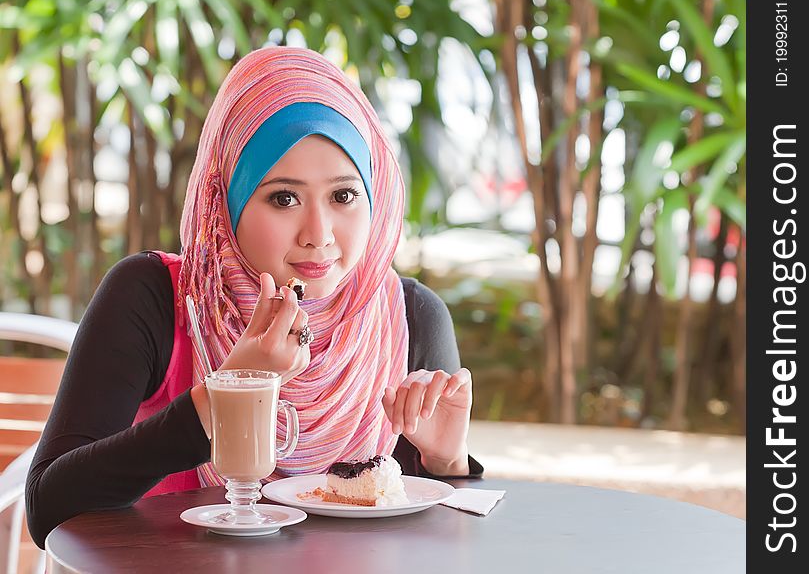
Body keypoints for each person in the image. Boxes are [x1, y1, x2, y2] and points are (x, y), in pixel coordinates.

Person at [25, 46, 482, 548]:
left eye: (344, 195)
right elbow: (49, 506)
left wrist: (448, 465)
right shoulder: (156, 298)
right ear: (227, 201)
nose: (319, 234)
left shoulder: (409, 317)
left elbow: (437, 549)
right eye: (283, 198)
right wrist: (225, 396)